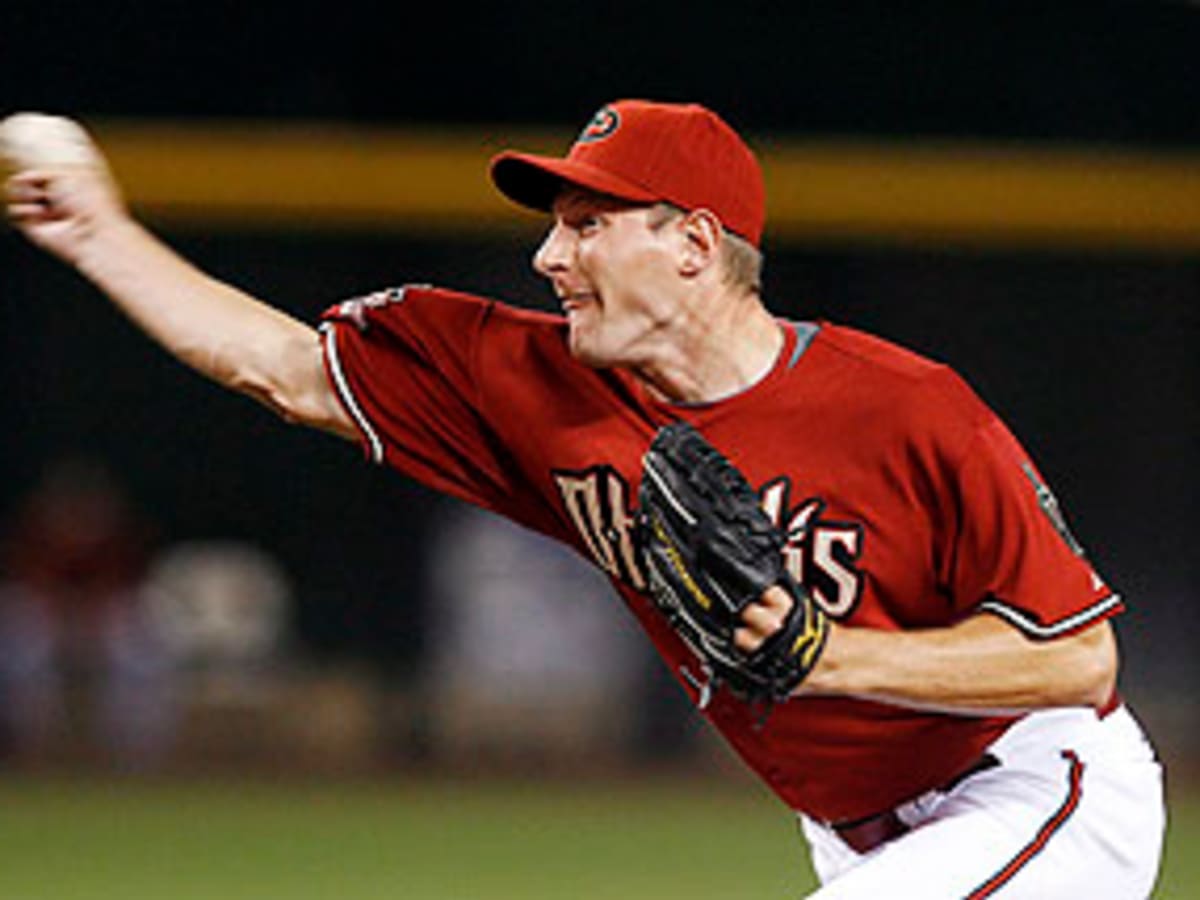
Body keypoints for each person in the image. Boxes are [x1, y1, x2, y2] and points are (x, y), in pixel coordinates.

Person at [3, 100, 1165, 897]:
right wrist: (99, 235)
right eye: (554, 225)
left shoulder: (909, 410)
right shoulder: (535, 384)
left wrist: (833, 658)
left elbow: (1075, 664)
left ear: (695, 245)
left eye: (587, 224)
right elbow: (284, 369)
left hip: (1035, 789)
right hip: (853, 838)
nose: (550, 259)